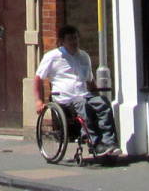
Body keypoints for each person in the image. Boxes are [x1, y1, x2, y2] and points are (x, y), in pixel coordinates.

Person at [34, 24, 118, 159]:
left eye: (76, 38)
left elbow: (89, 80)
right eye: (70, 39)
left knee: (103, 103)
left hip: (84, 95)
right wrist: (38, 100)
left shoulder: (84, 56)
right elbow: (38, 78)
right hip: (65, 99)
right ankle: (94, 143)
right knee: (82, 103)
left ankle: (109, 142)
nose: (74, 42)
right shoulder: (52, 57)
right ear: (62, 41)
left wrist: (97, 95)